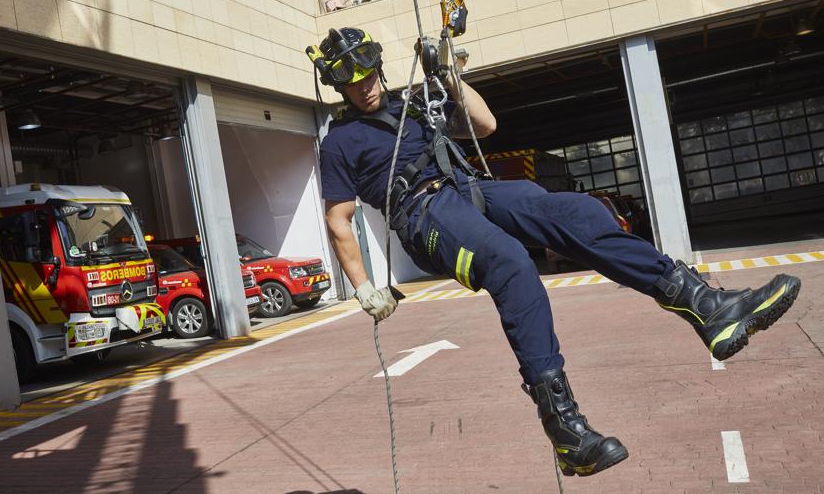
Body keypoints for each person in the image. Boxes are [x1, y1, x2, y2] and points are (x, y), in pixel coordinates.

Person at [307, 27, 801, 477]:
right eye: (352, 80)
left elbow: (483, 124)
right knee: (510, 262)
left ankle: (703, 305)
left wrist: (450, 76)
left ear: (378, 66)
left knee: (577, 213)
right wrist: (366, 289)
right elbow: (338, 220)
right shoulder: (338, 144)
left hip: (468, 191)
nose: (366, 85)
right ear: (338, 86)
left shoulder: (411, 107)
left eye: (369, 72)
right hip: (423, 215)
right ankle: (565, 429)